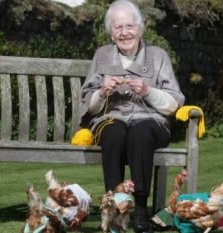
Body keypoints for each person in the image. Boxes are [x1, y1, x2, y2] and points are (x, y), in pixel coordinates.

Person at [79, 0, 185, 232]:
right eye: (118, 27)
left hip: (151, 123)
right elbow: (87, 103)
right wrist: (101, 91)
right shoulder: (102, 55)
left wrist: (148, 91)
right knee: (114, 132)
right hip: (110, 119)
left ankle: (140, 212)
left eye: (130, 26)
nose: (124, 33)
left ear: (140, 28)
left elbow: (173, 103)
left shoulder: (158, 56)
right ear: (110, 32)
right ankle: (113, 210)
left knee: (140, 131)